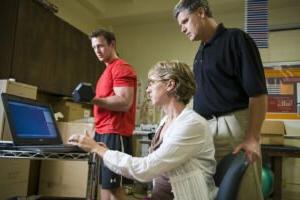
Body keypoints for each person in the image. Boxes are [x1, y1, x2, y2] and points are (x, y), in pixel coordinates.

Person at [69, 61, 218, 200]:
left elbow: (145, 169)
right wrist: (104, 151)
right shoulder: (166, 120)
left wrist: (98, 150)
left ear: (170, 84)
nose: (147, 90)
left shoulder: (191, 124)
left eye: (152, 83)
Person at [174, 1, 268, 200]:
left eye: (184, 21)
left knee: (244, 191)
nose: (182, 29)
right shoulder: (201, 52)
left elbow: (258, 93)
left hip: (233, 126)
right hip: (207, 130)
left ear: (200, 12)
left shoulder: (236, 39)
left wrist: (252, 138)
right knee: (216, 193)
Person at [89, 28, 137, 200]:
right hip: (103, 133)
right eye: (94, 47)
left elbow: (125, 102)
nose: (97, 51)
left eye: (101, 46)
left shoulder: (121, 68)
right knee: (105, 186)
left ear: (112, 44)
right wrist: (94, 129)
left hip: (115, 133)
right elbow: (103, 107)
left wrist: (93, 99)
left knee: (115, 189)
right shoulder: (106, 72)